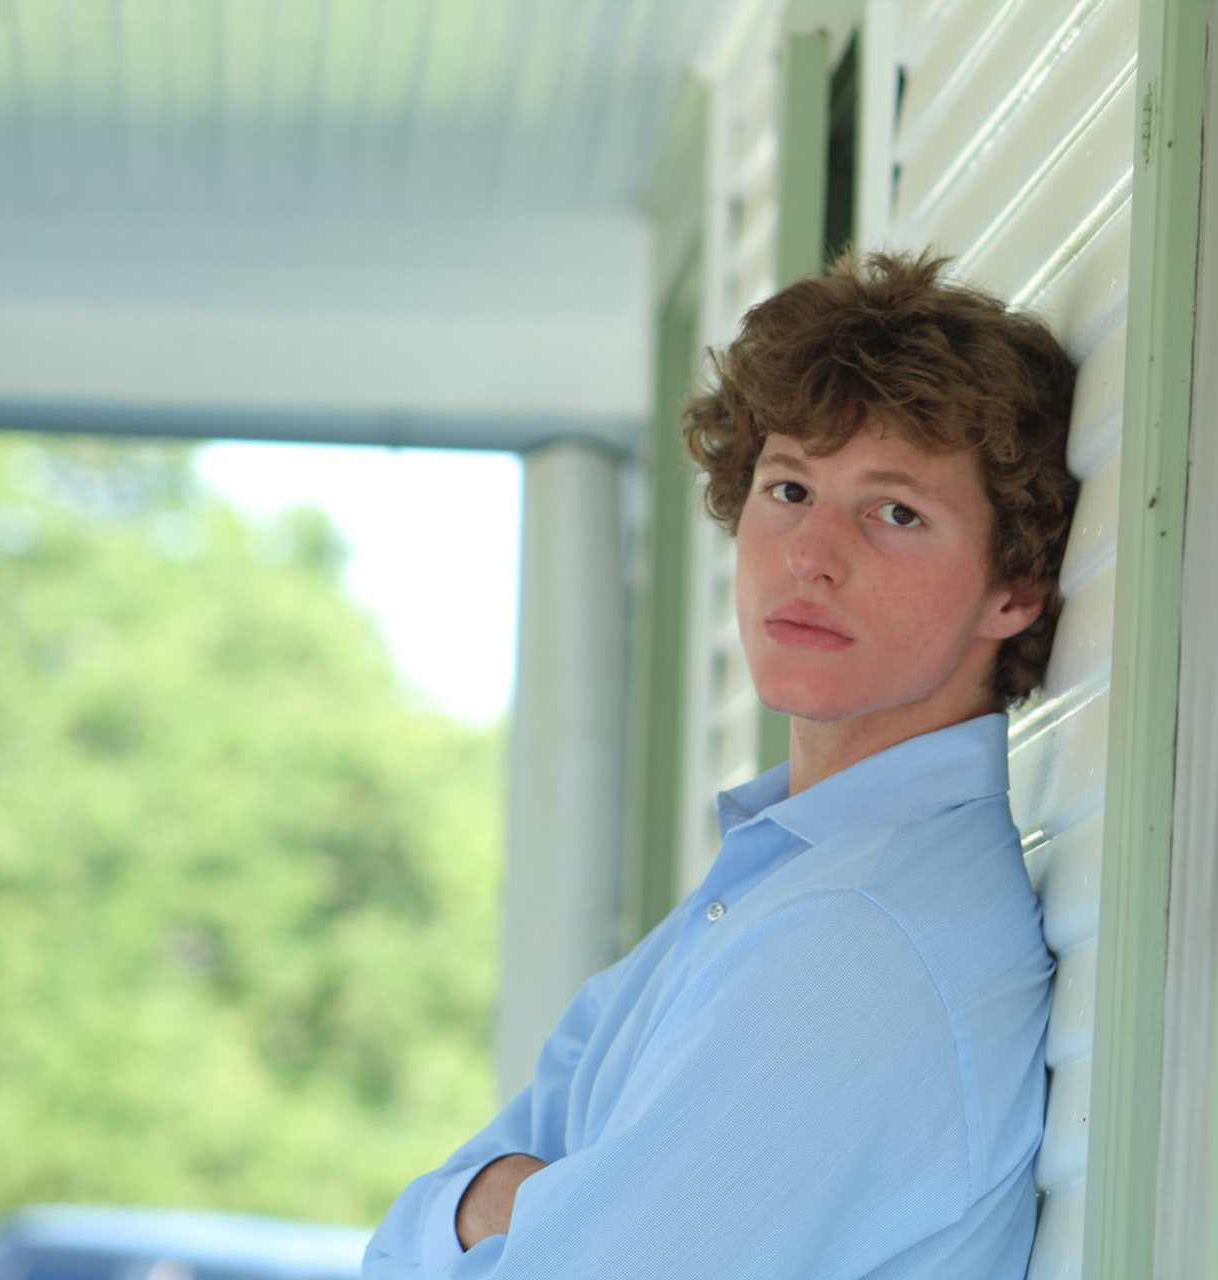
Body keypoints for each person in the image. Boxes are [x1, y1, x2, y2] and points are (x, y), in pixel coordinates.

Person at [362, 251, 1079, 1280]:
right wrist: (487, 1203)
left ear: (1014, 586)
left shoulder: (859, 938)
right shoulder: (780, 885)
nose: (811, 554)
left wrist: (501, 1201)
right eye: (789, 487)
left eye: (895, 512)